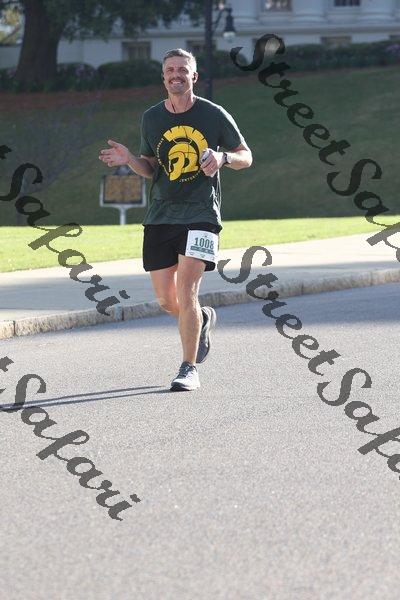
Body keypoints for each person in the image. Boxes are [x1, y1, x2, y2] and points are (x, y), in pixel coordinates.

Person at [99, 48, 252, 392]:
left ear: (193, 76)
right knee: (168, 301)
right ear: (164, 77)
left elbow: (247, 156)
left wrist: (223, 158)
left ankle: (188, 367)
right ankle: (203, 319)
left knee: (188, 290)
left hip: (201, 214)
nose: (176, 75)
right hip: (160, 215)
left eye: (182, 70)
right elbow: (150, 167)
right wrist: (129, 159)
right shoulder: (151, 118)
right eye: (170, 70)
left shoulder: (213, 114)